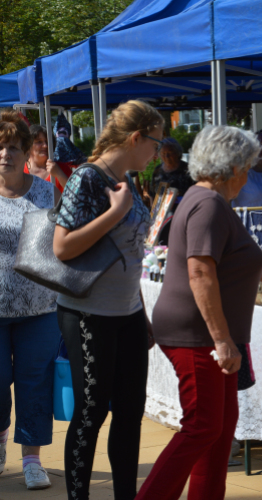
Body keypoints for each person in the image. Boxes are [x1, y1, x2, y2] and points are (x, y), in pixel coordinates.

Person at [135, 126, 262, 500]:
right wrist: (222, 340)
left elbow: (248, 261)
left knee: (219, 428)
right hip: (198, 334)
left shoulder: (211, 201)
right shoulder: (208, 204)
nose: (249, 175)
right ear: (233, 167)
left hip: (208, 334)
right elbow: (200, 272)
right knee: (202, 427)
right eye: (248, 167)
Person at [52, 100, 163, 500]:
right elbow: (62, 247)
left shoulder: (127, 180)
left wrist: (143, 313)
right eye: (155, 143)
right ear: (135, 138)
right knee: (91, 412)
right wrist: (115, 214)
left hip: (128, 313)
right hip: (88, 314)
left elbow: (130, 253)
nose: (157, 153)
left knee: (131, 413)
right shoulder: (87, 178)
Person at [0, 110, 61, 490]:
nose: (4, 153)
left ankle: (33, 459)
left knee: (34, 381)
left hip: (39, 308)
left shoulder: (44, 189)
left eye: (11, 146)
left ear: (24, 151)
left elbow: (56, 246)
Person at [24, 124, 70, 195]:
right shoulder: (20, 170)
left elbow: (77, 194)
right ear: (29, 145)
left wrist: (59, 174)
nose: (45, 145)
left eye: (47, 142)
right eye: (39, 142)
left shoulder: (62, 168)